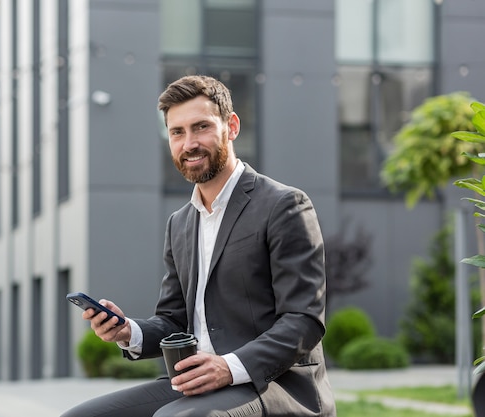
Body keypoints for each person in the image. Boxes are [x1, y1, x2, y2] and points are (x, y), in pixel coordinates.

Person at [61, 75, 336, 417]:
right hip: (196, 381)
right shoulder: (180, 223)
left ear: (231, 126)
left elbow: (303, 319)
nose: (189, 143)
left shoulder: (284, 205)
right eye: (177, 132)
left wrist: (228, 366)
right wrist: (126, 331)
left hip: (273, 385)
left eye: (201, 127)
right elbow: (174, 321)